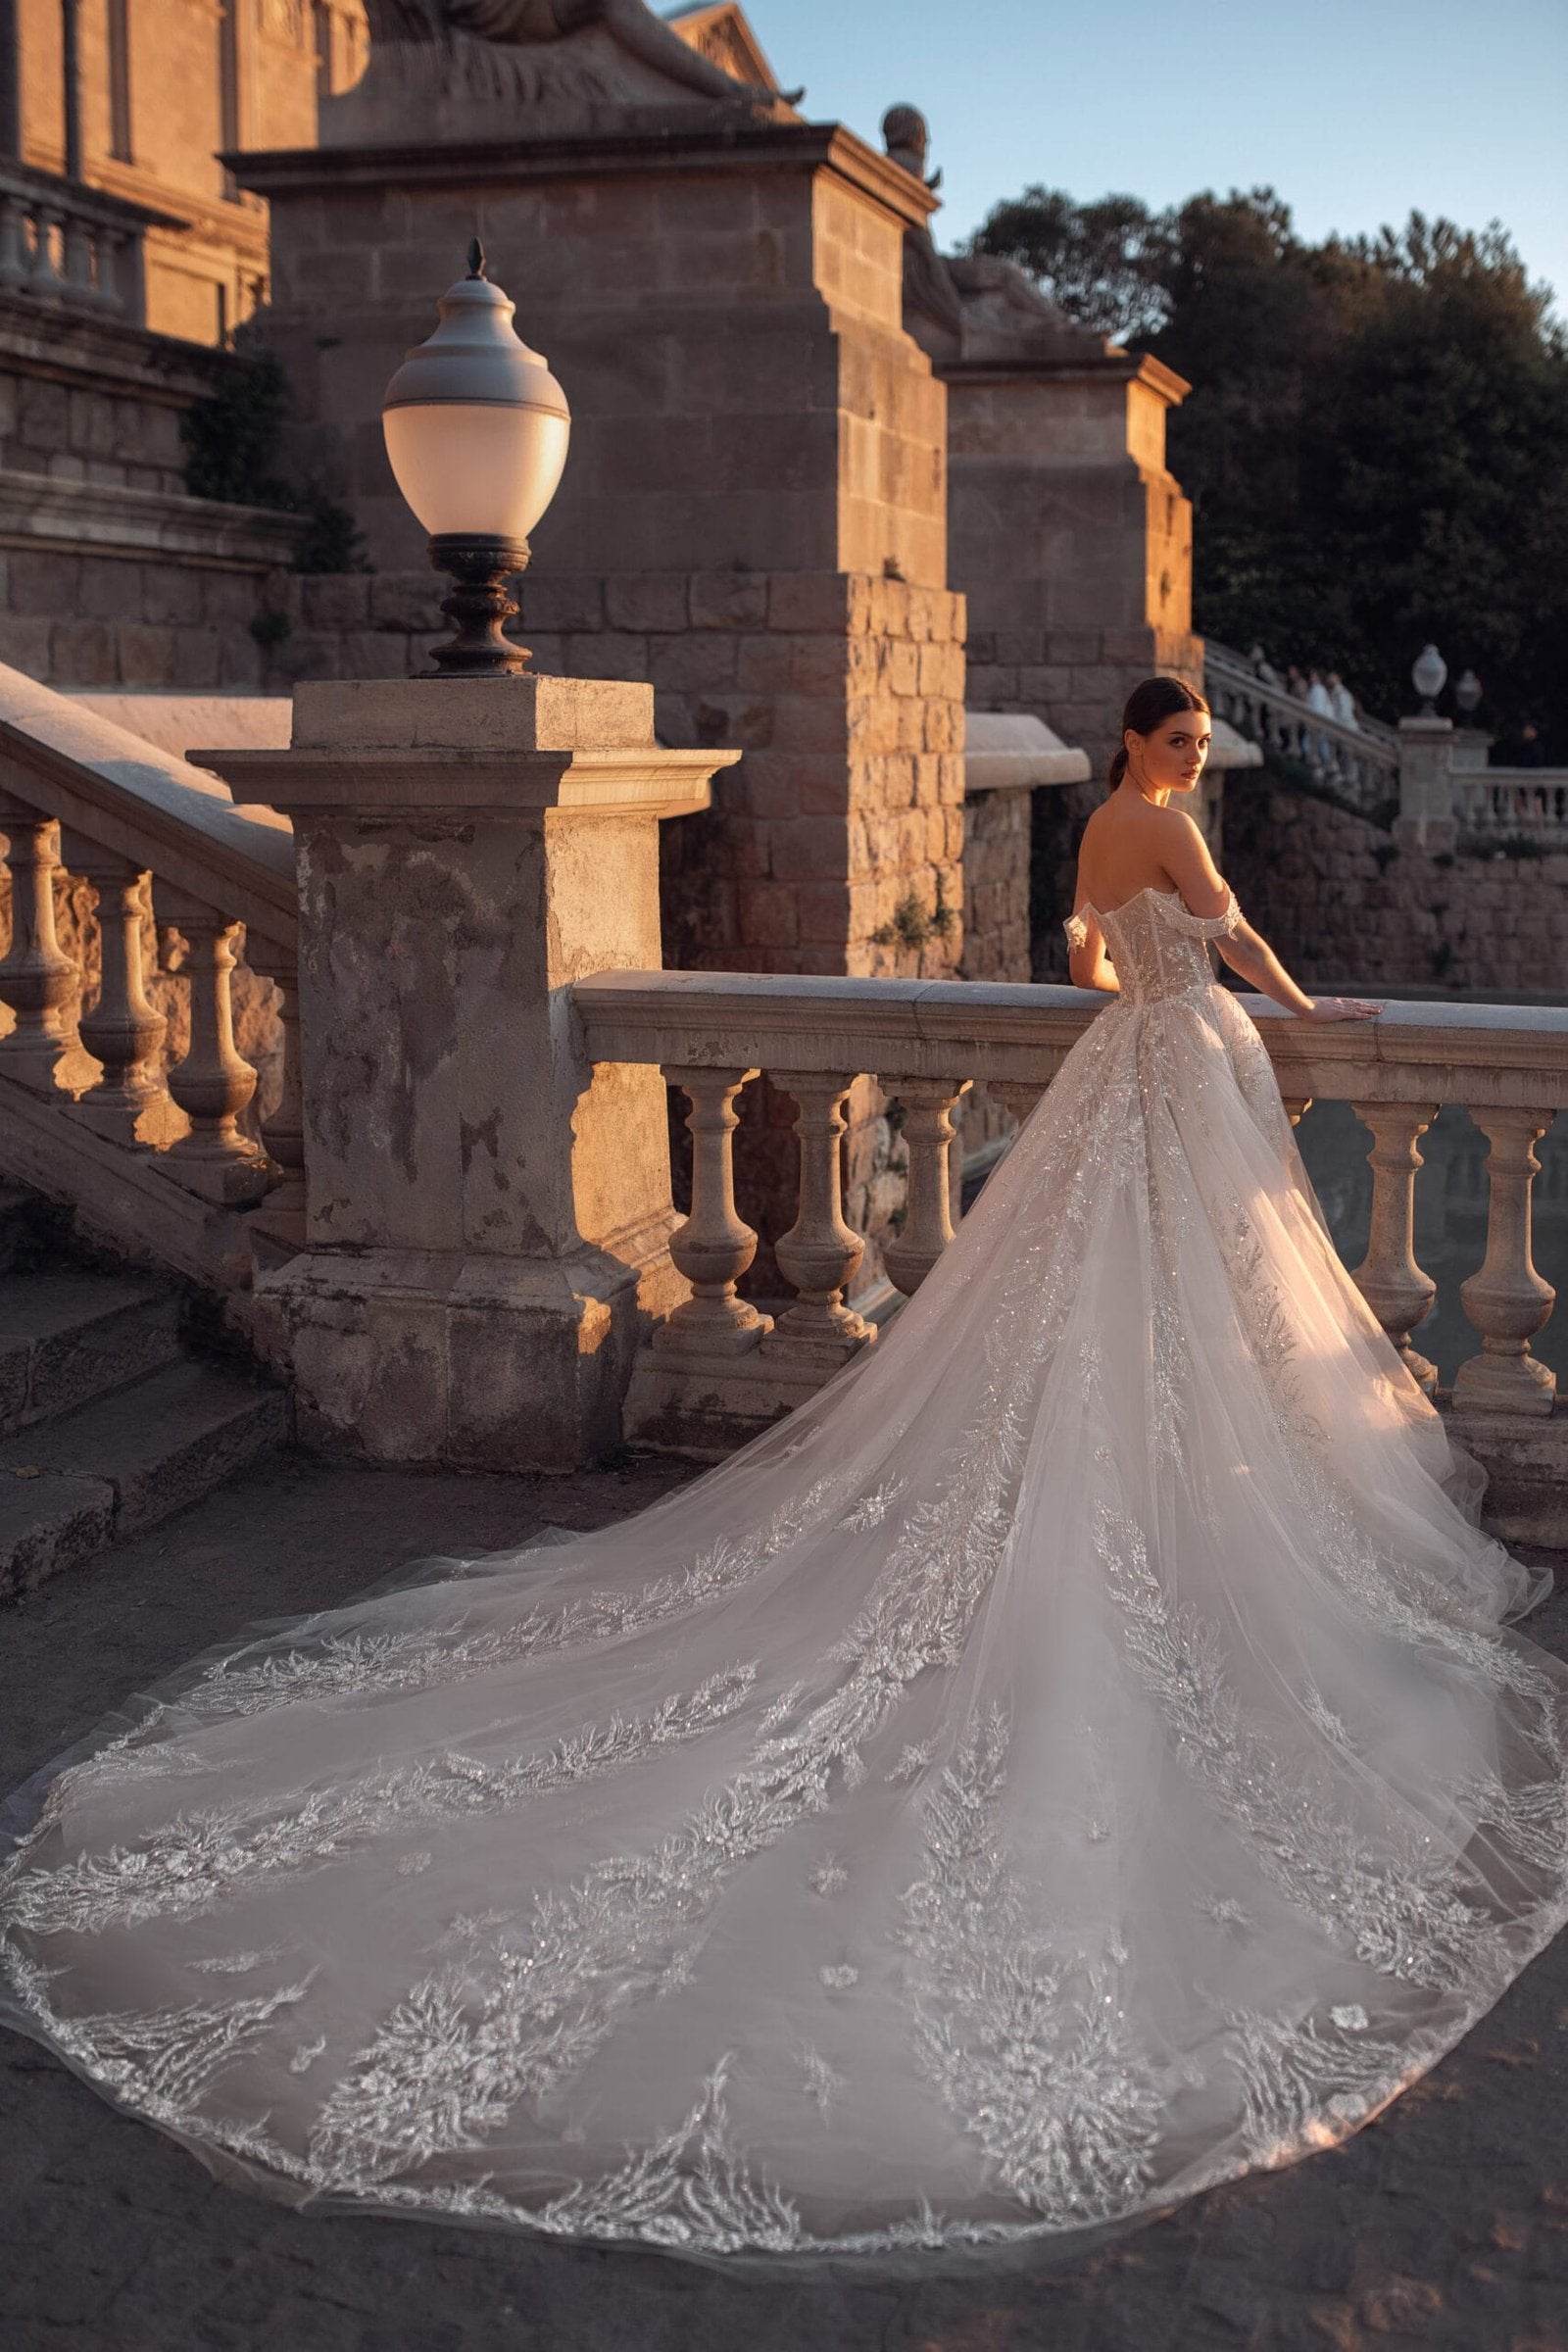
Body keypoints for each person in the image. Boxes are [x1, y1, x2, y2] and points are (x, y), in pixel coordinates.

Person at [3, 678, 1564, 2261]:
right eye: (1179, 747)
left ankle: (1134, 1521)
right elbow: (1221, 942)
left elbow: (1084, 957)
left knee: (1114, 1309)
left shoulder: (1100, 824)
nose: (1189, 765)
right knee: (1185, 1308)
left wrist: (1140, 979)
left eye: (1191, 754)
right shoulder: (1158, 822)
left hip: (1126, 1066)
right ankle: (1172, 1536)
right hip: (1185, 1064)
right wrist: (1296, 1014)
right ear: (1144, 750)